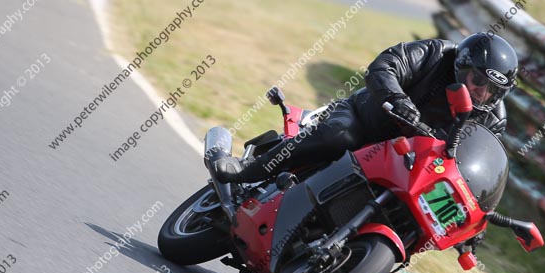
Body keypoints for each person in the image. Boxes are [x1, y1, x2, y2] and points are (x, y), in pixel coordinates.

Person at [212, 32, 519, 184]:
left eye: (492, 89)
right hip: (366, 119)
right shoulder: (436, 54)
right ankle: (245, 171)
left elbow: (476, 162)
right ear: (462, 65)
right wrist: (399, 100)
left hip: (406, 164)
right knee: (338, 137)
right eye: (477, 79)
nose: (481, 90)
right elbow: (386, 66)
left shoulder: (493, 120)